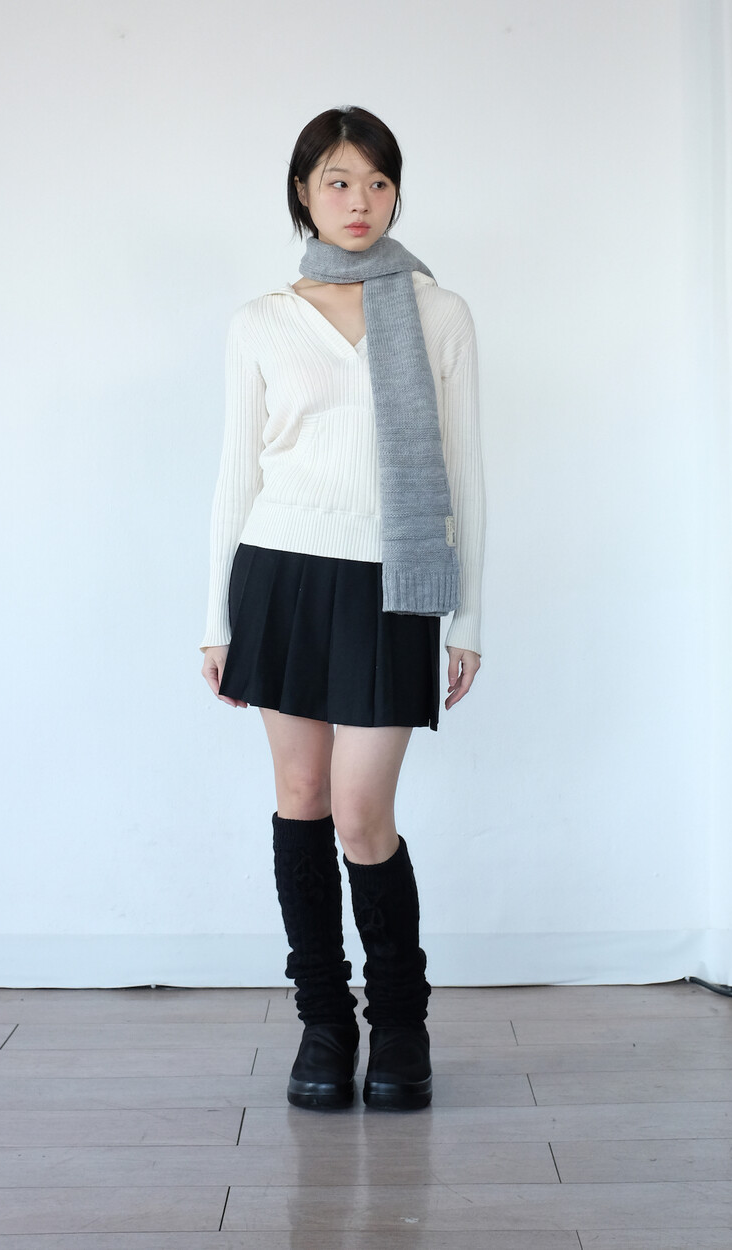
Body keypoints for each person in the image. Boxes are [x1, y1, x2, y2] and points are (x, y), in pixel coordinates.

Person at [200, 106, 485, 1111]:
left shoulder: (439, 312)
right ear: (303, 193)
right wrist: (215, 620)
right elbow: (235, 476)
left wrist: (467, 619)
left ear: (395, 192)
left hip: (394, 580)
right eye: (337, 180)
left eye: (376, 181)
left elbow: (466, 476)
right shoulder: (261, 321)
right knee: (302, 795)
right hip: (281, 572)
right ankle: (323, 1021)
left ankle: (398, 1022)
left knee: (363, 814)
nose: (358, 200)